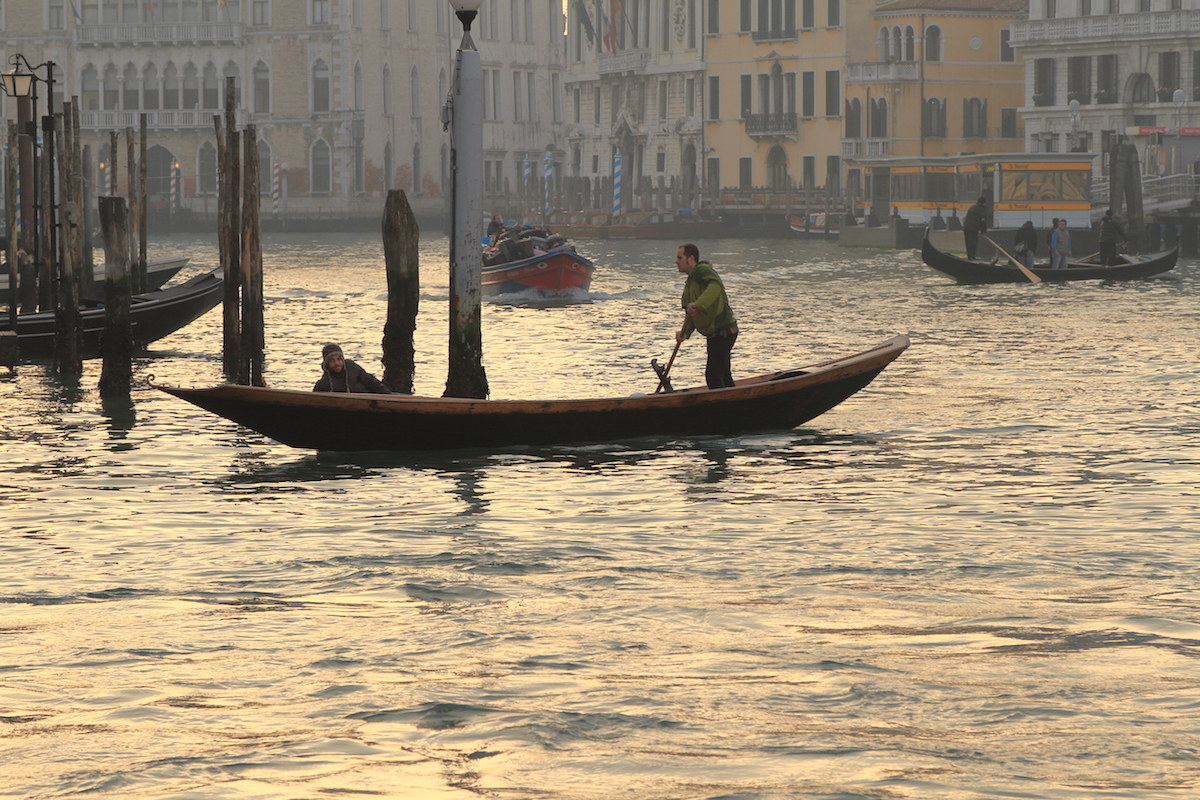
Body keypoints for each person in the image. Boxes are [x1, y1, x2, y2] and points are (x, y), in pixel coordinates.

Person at [675, 243, 738, 390]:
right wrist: (685, 333)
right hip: (714, 334)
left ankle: (723, 403)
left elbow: (716, 286)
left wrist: (698, 305)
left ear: (691, 259)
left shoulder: (703, 271)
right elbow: (691, 315)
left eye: (680, 258)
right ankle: (737, 399)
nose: (676, 261)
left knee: (713, 376)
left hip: (724, 330)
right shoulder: (690, 284)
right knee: (723, 375)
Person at [313, 343, 390, 393]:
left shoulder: (352, 368)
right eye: (332, 361)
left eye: (339, 359)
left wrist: (387, 395)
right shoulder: (324, 383)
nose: (336, 363)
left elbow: (371, 381)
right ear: (327, 364)